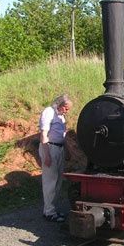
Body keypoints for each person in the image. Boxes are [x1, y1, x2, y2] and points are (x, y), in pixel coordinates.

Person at [39, 94, 73, 222]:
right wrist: (47, 155)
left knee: (58, 181)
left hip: (60, 148)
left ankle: (53, 209)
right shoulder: (48, 112)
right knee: (50, 181)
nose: (67, 111)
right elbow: (43, 134)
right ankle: (48, 212)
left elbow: (63, 136)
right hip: (50, 148)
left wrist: (68, 151)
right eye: (66, 108)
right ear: (59, 105)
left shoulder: (61, 116)